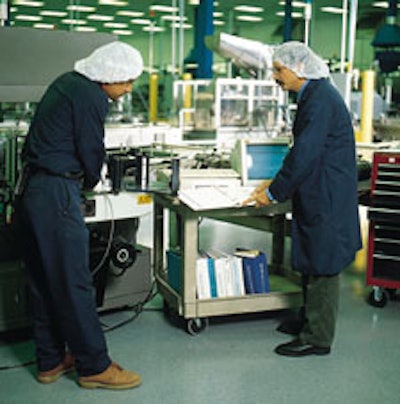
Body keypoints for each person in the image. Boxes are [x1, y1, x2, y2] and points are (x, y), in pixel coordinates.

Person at [15, 41, 144, 388]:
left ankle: (51, 360)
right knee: (75, 282)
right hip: (57, 193)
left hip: (31, 189)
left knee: (43, 280)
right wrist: (90, 181)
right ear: (110, 74)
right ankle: (94, 366)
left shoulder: (66, 83)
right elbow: (91, 148)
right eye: (127, 80)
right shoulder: (91, 95)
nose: (129, 88)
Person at [242, 41, 362, 357]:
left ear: (299, 69)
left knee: (322, 263)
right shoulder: (312, 96)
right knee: (312, 255)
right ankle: (309, 318)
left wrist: (273, 192)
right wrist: (275, 180)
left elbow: (306, 154)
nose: (275, 77)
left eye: (279, 70)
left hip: (327, 194)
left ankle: (318, 337)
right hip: (319, 190)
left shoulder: (320, 100)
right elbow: (303, 150)